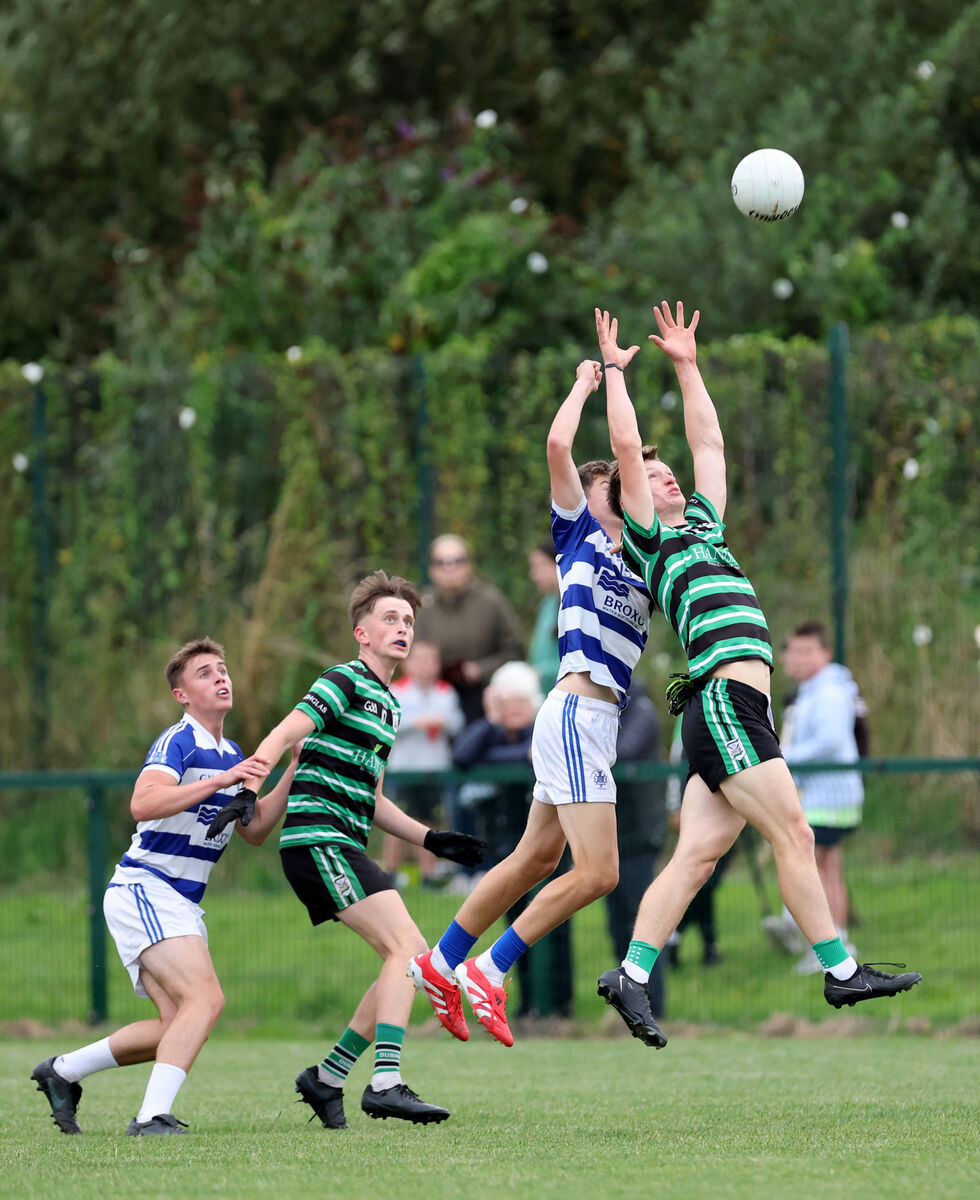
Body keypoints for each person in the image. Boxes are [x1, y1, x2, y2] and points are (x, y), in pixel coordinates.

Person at [594, 301, 921, 1047]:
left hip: (735, 710)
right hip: (726, 703)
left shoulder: (704, 525)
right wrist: (616, 372)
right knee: (795, 831)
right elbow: (623, 441)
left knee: (699, 854)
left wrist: (687, 363)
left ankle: (633, 974)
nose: (669, 478)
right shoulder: (650, 540)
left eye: (667, 472)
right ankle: (839, 968)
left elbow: (707, 441)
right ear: (632, 501)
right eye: (652, 476)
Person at [409, 359, 653, 1048]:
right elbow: (559, 449)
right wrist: (587, 384)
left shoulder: (647, 558)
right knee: (599, 871)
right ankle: (491, 967)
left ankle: (443, 960)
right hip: (576, 713)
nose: (631, 488)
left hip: (588, 722)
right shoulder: (580, 537)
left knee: (533, 860)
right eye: (619, 484)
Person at [235, 570, 485, 1128]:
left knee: (404, 958)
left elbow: (370, 796)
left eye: (409, 621)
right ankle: (386, 1082)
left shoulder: (388, 704)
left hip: (344, 841)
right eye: (390, 619)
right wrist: (250, 787)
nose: (402, 628)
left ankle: (327, 1077)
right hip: (317, 840)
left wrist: (430, 838)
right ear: (361, 633)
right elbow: (282, 733)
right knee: (409, 952)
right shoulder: (345, 680)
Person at [31, 637, 296, 1136]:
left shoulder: (231, 751)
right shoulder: (178, 740)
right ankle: (151, 1117)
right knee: (206, 1001)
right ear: (181, 695)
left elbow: (254, 830)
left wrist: (292, 770)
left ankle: (63, 1072)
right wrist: (221, 782)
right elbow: (143, 803)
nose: (221, 677)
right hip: (146, 887)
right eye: (204, 673)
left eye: (223, 669)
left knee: (177, 1025)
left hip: (177, 899)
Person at [776, 620, 867, 973]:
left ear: (825, 653)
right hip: (820, 796)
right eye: (794, 651)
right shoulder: (812, 690)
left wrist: (783, 757)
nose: (799, 659)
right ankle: (837, 943)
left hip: (830, 798)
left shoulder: (830, 690)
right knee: (827, 868)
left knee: (818, 870)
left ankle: (833, 946)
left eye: (808, 651)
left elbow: (830, 740)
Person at [603, 677, 667, 1018]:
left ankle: (654, 1007)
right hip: (613, 835)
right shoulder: (611, 708)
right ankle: (627, 1007)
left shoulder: (639, 709)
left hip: (640, 835)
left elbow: (623, 751)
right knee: (616, 923)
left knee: (641, 921)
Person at [414, 534, 526, 724]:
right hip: (430, 700)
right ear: (432, 570)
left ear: (469, 566)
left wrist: (480, 669)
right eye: (441, 562)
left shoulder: (491, 601)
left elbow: (516, 651)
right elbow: (406, 653)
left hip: (483, 699)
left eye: (457, 561)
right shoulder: (422, 605)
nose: (449, 568)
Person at [381, 638, 465, 888]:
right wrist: (416, 722)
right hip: (404, 768)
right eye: (419, 660)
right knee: (396, 821)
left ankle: (428, 874)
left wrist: (442, 722)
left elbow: (456, 723)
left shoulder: (445, 692)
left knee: (430, 821)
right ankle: (390, 873)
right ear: (408, 663)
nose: (426, 666)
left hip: (435, 767)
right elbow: (389, 725)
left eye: (431, 661)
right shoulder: (397, 691)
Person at [527, 541, 561, 692]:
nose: (533, 574)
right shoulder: (547, 603)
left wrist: (541, 673)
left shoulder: (575, 604)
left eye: (539, 566)